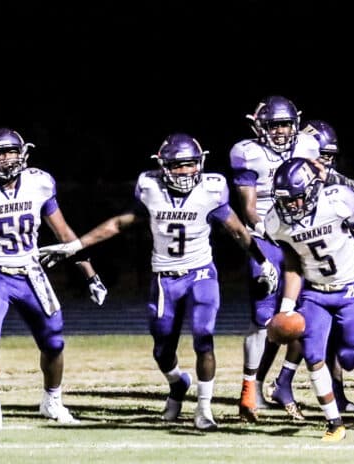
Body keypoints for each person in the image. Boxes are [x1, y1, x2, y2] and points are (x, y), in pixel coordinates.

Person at [39, 133, 278, 431]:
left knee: (204, 338)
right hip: (165, 278)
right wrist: (74, 246)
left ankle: (204, 410)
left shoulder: (212, 189)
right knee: (163, 350)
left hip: (201, 274)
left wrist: (263, 260)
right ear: (164, 166)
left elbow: (238, 231)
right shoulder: (149, 187)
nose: (185, 172)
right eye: (178, 166)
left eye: (190, 165)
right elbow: (118, 223)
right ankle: (178, 384)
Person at [0, 128, 107, 433]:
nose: (7, 158)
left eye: (11, 151)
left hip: (31, 271)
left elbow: (64, 234)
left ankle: (52, 401)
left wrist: (90, 275)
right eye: (0, 153)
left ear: (23, 152)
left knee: (54, 342)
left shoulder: (39, 184)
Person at [265, 157, 354, 441]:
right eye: (286, 200)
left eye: (297, 199)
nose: (291, 206)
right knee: (313, 356)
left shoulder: (336, 201)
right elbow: (293, 262)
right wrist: (286, 309)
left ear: (312, 189)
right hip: (315, 292)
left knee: (347, 359)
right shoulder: (276, 221)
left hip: (349, 289)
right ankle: (335, 423)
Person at [229, 95, 320, 422]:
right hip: (268, 239)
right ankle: (249, 391)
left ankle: (287, 384)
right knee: (262, 320)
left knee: (306, 314)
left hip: (304, 239)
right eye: (273, 125)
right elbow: (249, 207)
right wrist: (272, 231)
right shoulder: (247, 153)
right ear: (259, 126)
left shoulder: (309, 146)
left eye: (285, 124)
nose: (281, 131)